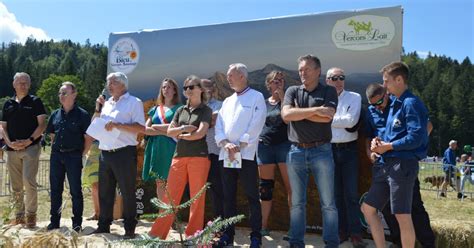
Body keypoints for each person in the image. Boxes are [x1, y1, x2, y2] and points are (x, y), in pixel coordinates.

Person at [362, 62, 429, 248]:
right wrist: (378, 143)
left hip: (403, 165)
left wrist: (389, 146)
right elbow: (389, 134)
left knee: (402, 215)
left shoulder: (411, 103)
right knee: (368, 209)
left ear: (399, 80)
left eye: (386, 81)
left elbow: (417, 137)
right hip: (386, 165)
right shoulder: (394, 105)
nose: (384, 86)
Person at [280, 55, 339, 248]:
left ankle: (331, 243)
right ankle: (296, 243)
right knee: (297, 203)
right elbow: (286, 115)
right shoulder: (292, 90)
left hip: (321, 150)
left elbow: (327, 117)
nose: (302, 73)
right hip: (296, 151)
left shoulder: (329, 90)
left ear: (318, 71)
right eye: (300, 70)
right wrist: (315, 111)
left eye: (306, 69)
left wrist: (300, 112)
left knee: (328, 203)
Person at [149, 75, 212, 239]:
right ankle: (157, 235)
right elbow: (170, 131)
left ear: (200, 89)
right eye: (185, 88)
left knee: (197, 199)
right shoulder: (180, 110)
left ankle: (193, 236)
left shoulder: (206, 110)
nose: (188, 91)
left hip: (199, 158)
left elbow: (200, 133)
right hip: (178, 157)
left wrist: (181, 134)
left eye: (191, 87)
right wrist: (185, 129)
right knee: (170, 197)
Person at [214, 63, 266, 248]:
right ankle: (228, 234)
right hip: (226, 154)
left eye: (231, 75)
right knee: (228, 196)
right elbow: (219, 125)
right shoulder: (227, 101)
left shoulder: (257, 97)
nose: (228, 78)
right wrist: (225, 143)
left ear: (242, 76)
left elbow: (257, 123)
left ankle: (256, 236)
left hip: (246, 154)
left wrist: (240, 143)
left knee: (252, 196)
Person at [90, 72, 145, 239]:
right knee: (105, 192)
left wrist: (118, 125)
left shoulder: (134, 102)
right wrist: (98, 109)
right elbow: (95, 123)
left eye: (113, 82)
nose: (109, 85)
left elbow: (140, 128)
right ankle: (104, 226)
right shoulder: (106, 104)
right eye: (108, 82)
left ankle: (129, 229)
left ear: (123, 84)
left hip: (124, 153)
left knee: (128, 192)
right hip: (105, 152)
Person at [325, 67, 366, 247]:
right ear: (327, 80)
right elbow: (344, 120)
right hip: (329, 150)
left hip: (349, 150)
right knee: (335, 195)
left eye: (342, 77)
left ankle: (356, 233)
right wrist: (338, 119)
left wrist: (327, 118)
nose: (339, 80)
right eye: (334, 78)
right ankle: (340, 231)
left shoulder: (355, 97)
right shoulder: (322, 98)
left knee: (350, 194)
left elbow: (351, 121)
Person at [1, 72, 47, 228]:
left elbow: (42, 125)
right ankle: (19, 216)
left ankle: (31, 216)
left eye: (26, 82)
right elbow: (2, 126)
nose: (23, 85)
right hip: (11, 149)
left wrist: (28, 141)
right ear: (13, 84)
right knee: (15, 185)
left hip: (31, 148)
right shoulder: (7, 104)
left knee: (28, 181)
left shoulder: (36, 101)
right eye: (20, 82)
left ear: (29, 85)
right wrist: (9, 142)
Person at [45, 82, 93, 232]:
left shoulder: (83, 115)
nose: (61, 95)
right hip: (56, 156)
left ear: (74, 94)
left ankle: (77, 223)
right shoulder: (54, 114)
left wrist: (81, 154)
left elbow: (88, 138)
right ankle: (54, 221)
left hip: (74, 156)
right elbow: (52, 135)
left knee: (75, 191)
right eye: (60, 93)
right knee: (55, 190)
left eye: (64, 92)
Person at [256, 70, 292, 236]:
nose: (278, 83)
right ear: (268, 84)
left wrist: (283, 97)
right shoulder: (262, 103)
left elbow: (287, 119)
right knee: (265, 189)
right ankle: (263, 226)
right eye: (275, 81)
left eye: (281, 81)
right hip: (265, 147)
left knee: (291, 188)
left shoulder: (289, 101)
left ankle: (294, 229)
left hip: (285, 146)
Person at [142, 78, 182, 201]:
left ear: (175, 90)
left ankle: (172, 216)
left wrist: (157, 127)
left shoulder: (181, 109)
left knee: (172, 183)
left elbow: (178, 128)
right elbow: (146, 129)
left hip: (172, 148)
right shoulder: (155, 109)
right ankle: (163, 215)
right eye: (164, 87)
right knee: (160, 182)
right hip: (156, 148)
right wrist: (167, 131)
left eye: (169, 87)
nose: (166, 90)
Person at [201, 78, 224, 219]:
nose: (207, 90)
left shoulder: (221, 105)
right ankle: (198, 224)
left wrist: (198, 123)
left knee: (217, 190)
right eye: (204, 87)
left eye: (210, 86)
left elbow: (213, 121)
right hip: (197, 154)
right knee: (196, 192)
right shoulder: (193, 107)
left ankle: (218, 223)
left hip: (214, 153)